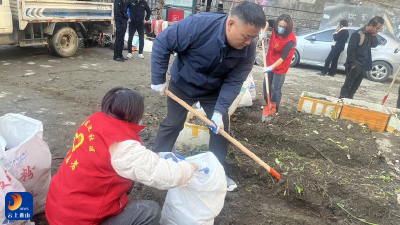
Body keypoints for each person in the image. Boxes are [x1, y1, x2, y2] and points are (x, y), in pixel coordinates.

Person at [45, 87, 206, 225]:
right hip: (78, 220)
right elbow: (167, 176)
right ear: (132, 115)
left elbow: (130, 159)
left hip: (58, 207)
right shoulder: (123, 146)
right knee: (150, 211)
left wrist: (152, 157)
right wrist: (192, 167)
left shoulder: (94, 120)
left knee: (129, 179)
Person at [150, 2, 266, 192]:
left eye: (253, 38)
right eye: (246, 37)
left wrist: (220, 111)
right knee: (174, 123)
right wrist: (158, 78)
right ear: (231, 24)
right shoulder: (199, 25)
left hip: (214, 90)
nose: (248, 42)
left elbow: (234, 81)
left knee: (220, 128)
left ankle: (217, 171)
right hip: (184, 84)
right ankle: (156, 163)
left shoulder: (248, 49)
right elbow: (163, 42)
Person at [339, 16, 384, 99]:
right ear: (371, 25)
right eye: (377, 28)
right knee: (348, 85)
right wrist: (352, 63)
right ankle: (342, 100)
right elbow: (351, 50)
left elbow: (374, 45)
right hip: (356, 63)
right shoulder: (357, 34)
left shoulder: (370, 35)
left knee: (355, 86)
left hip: (363, 65)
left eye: (379, 29)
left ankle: (349, 100)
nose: (377, 31)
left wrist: (374, 35)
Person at [261, 14, 296, 113]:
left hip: (280, 66)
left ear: (288, 28)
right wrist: (264, 32)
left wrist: (271, 67)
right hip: (270, 61)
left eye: (284, 27)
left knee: (275, 88)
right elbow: (268, 22)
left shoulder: (290, 40)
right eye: (280, 26)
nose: (281, 28)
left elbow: (283, 58)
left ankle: (274, 108)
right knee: (266, 85)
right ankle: (268, 104)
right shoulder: (276, 26)